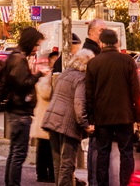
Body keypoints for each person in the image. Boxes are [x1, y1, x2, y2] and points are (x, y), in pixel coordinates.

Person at [82, 28, 140, 186]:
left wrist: (91, 118)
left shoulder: (94, 63)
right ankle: (126, 183)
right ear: (116, 43)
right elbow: (136, 90)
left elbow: (89, 94)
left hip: (102, 117)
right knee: (126, 153)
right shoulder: (128, 61)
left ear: (101, 43)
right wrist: (139, 117)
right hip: (125, 116)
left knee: (103, 153)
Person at [0, 26, 44, 186]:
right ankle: (13, 183)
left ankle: (10, 182)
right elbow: (22, 84)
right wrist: (38, 75)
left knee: (14, 152)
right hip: (20, 112)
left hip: (16, 111)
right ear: (29, 42)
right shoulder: (19, 59)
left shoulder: (15, 57)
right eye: (36, 45)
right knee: (19, 154)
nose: (36, 49)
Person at [42, 48, 93, 186]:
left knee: (58, 162)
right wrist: (85, 123)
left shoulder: (65, 74)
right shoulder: (82, 78)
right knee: (68, 163)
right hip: (68, 124)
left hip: (52, 120)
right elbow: (79, 103)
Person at [33, 50, 57, 183]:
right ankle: (42, 174)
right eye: (54, 59)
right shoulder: (46, 78)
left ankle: (49, 174)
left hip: (48, 119)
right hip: (44, 119)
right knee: (44, 149)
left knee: (48, 149)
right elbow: (45, 93)